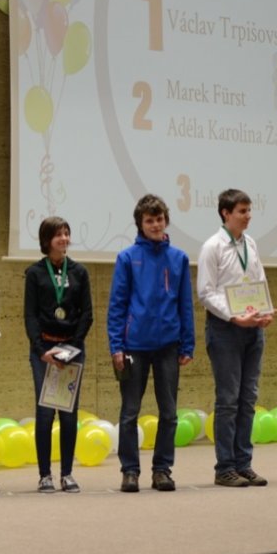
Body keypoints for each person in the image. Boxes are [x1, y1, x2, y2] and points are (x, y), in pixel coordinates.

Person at [107, 194, 195, 493]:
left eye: (159, 219)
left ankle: (162, 470)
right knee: (130, 412)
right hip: (134, 347)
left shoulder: (179, 258)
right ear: (140, 224)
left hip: (169, 346)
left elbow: (185, 305)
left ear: (166, 221)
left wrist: (188, 344)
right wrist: (116, 346)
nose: (155, 225)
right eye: (149, 221)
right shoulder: (127, 258)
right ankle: (130, 471)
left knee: (169, 412)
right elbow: (117, 306)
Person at [197, 189, 276, 488]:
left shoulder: (250, 244)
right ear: (225, 213)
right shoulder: (212, 247)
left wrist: (264, 311)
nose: (248, 216)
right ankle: (225, 468)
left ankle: (244, 464)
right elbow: (206, 293)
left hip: (253, 329)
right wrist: (234, 316)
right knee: (228, 401)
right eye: (242, 211)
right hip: (225, 330)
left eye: (249, 210)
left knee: (248, 399)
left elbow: (259, 281)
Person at [24, 216, 93, 493]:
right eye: (58, 234)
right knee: (44, 413)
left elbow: (87, 313)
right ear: (47, 240)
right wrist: (42, 351)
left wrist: (72, 348)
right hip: (44, 352)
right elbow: (30, 315)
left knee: (68, 413)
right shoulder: (35, 273)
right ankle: (45, 475)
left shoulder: (79, 272)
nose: (64, 238)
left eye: (66, 233)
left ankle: (67, 474)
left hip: (72, 351)